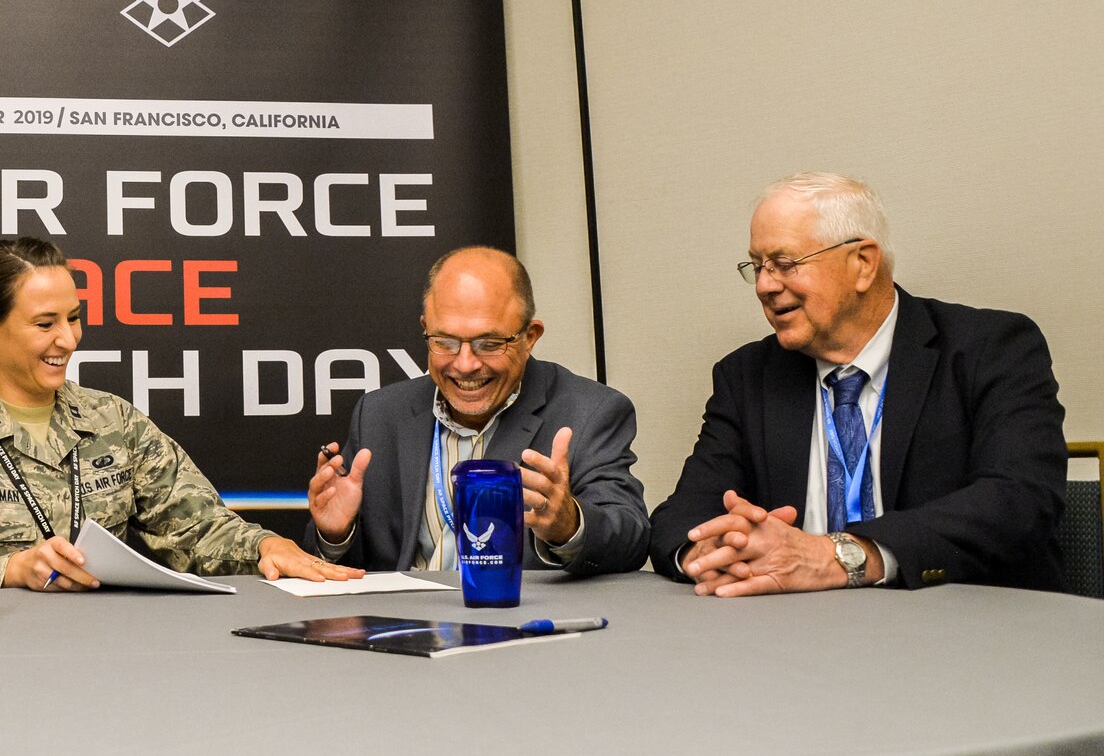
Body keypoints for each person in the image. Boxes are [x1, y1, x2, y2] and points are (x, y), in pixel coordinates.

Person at [650, 172, 1066, 595]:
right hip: (792, 639)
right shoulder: (747, 376)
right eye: (756, 266)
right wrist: (717, 550)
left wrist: (838, 556)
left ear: (863, 264)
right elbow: (679, 517)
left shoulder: (991, 348)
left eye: (785, 264)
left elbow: (1020, 501)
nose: (764, 286)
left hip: (965, 627)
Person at [0, 237, 359, 590]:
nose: (67, 340)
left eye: (73, 318)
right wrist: (13, 570)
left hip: (114, 654)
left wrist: (264, 547)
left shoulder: (114, 421)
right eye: (45, 324)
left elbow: (195, 526)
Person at [302, 246, 650, 575]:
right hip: (404, 626)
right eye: (445, 342)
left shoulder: (591, 411)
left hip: (519, 627)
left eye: (489, 344)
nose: (465, 364)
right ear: (426, 329)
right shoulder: (379, 414)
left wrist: (569, 525)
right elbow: (348, 567)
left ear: (530, 336)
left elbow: (631, 538)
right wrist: (335, 535)